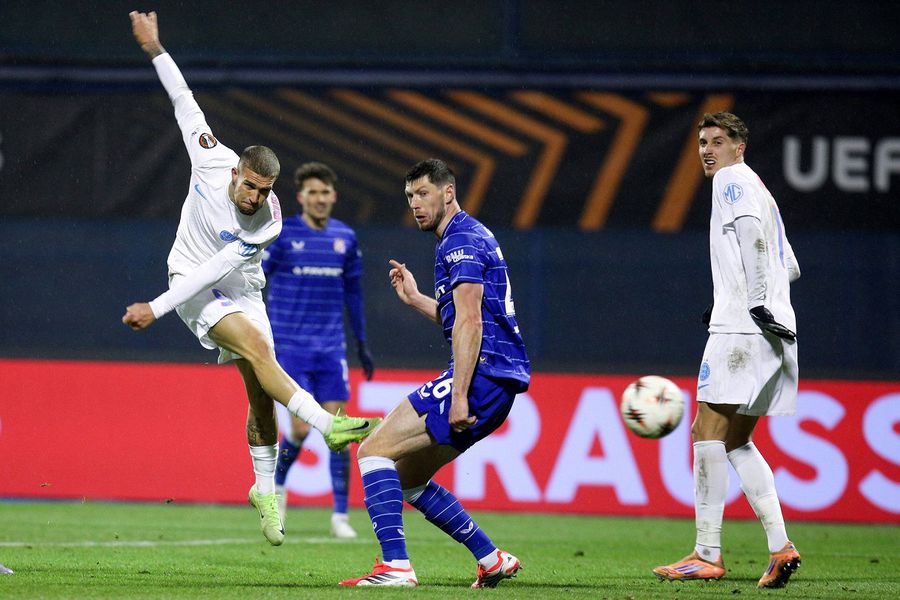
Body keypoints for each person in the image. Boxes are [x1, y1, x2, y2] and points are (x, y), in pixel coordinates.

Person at [122, 11, 379, 547]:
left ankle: (264, 489)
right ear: (237, 169)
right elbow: (182, 98)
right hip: (189, 280)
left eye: (264, 190)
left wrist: (156, 306)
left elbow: (229, 267)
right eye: (251, 186)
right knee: (264, 357)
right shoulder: (210, 156)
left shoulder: (271, 218)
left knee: (259, 391)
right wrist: (154, 48)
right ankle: (328, 426)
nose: (254, 197)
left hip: (239, 285)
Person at [338, 159, 529, 588]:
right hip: (498, 381)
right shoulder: (468, 236)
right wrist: (417, 299)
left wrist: (459, 394)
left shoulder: (460, 239)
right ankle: (491, 557)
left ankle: (395, 567)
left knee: (373, 451)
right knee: (408, 478)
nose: (415, 204)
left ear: (448, 192)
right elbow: (463, 314)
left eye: (423, 193)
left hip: (480, 376)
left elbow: (471, 323)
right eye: (409, 197)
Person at [653, 112, 802, 589]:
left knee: (704, 430)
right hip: (774, 330)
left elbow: (755, 241)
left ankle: (707, 553)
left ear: (740, 146)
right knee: (736, 439)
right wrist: (745, 298)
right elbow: (789, 265)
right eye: (701, 142)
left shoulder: (731, 180)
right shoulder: (764, 191)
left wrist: (751, 305)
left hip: (744, 328)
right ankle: (780, 546)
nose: (707, 150)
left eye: (718, 141)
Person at [262, 162, 375, 539]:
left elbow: (355, 294)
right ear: (301, 197)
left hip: (330, 349)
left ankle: (340, 516)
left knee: (337, 432)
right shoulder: (282, 234)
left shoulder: (346, 237)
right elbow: (256, 278)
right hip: (289, 347)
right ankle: (277, 488)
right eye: (312, 192)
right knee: (298, 428)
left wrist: (361, 343)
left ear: (334, 196)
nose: (320, 198)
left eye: (325, 192)